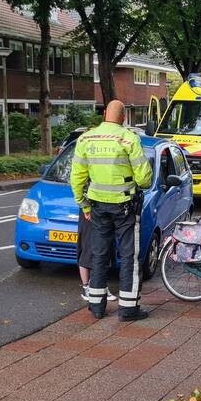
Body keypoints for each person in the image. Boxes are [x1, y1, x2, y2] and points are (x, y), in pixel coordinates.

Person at [70, 100, 153, 321]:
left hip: (97, 207)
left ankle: (96, 306)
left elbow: (76, 178)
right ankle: (128, 309)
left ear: (104, 113)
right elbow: (144, 179)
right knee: (129, 257)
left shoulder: (85, 139)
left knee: (99, 255)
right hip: (125, 208)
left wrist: (84, 205)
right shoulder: (129, 139)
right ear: (124, 117)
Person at [74, 105, 117, 304]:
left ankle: (97, 286)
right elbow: (79, 179)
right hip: (92, 206)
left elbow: (78, 179)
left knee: (99, 247)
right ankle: (87, 287)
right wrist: (85, 206)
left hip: (98, 204)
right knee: (90, 247)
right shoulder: (87, 148)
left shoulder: (88, 145)